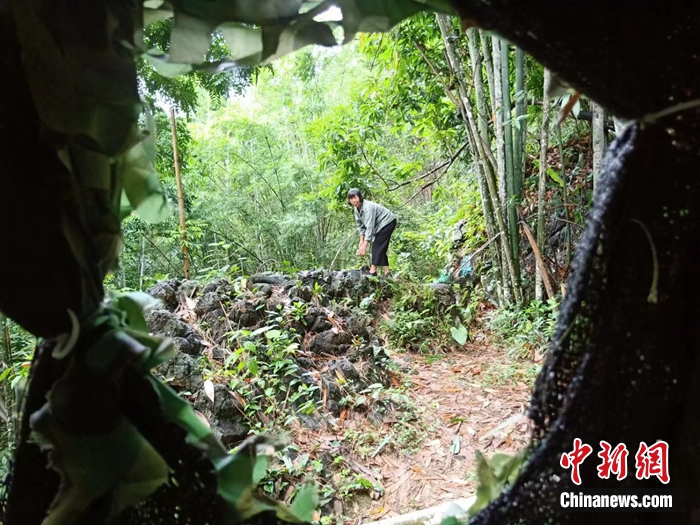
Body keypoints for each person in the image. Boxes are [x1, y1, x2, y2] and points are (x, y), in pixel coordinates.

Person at [347, 188, 397, 277]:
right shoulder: (356, 209)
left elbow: (369, 226)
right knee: (381, 248)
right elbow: (361, 226)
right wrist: (361, 241)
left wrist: (365, 246)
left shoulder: (368, 207)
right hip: (379, 226)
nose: (353, 200)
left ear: (360, 197)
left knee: (377, 246)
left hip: (387, 222)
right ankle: (387, 273)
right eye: (351, 199)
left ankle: (372, 272)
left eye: (355, 198)